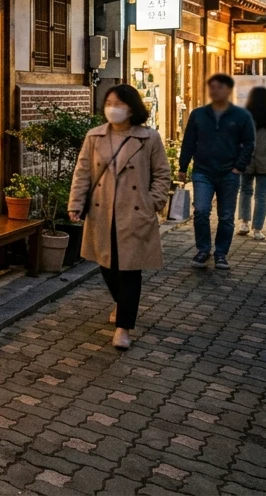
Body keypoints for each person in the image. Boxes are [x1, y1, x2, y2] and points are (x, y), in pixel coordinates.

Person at [68, 84, 170, 350]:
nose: (112, 108)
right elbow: (82, 173)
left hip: (134, 212)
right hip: (102, 212)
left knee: (129, 270)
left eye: (119, 103)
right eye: (109, 103)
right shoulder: (95, 136)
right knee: (106, 264)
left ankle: (123, 327)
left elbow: (162, 174)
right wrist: (76, 204)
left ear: (132, 107)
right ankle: (121, 302)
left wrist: (153, 202)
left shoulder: (149, 138)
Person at [178, 74, 255, 270]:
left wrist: (239, 166)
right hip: (202, 170)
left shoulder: (241, 115)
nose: (215, 91)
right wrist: (182, 166)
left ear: (228, 90)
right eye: (212, 87)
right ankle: (203, 249)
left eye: (219, 87)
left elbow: (249, 143)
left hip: (229, 172)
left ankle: (221, 253)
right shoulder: (198, 114)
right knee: (201, 211)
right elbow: (188, 142)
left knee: (226, 216)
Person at [237, 86, 266, 241]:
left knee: (245, 190)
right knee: (262, 195)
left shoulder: (243, 115)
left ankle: (244, 223)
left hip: (246, 158)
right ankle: (257, 229)